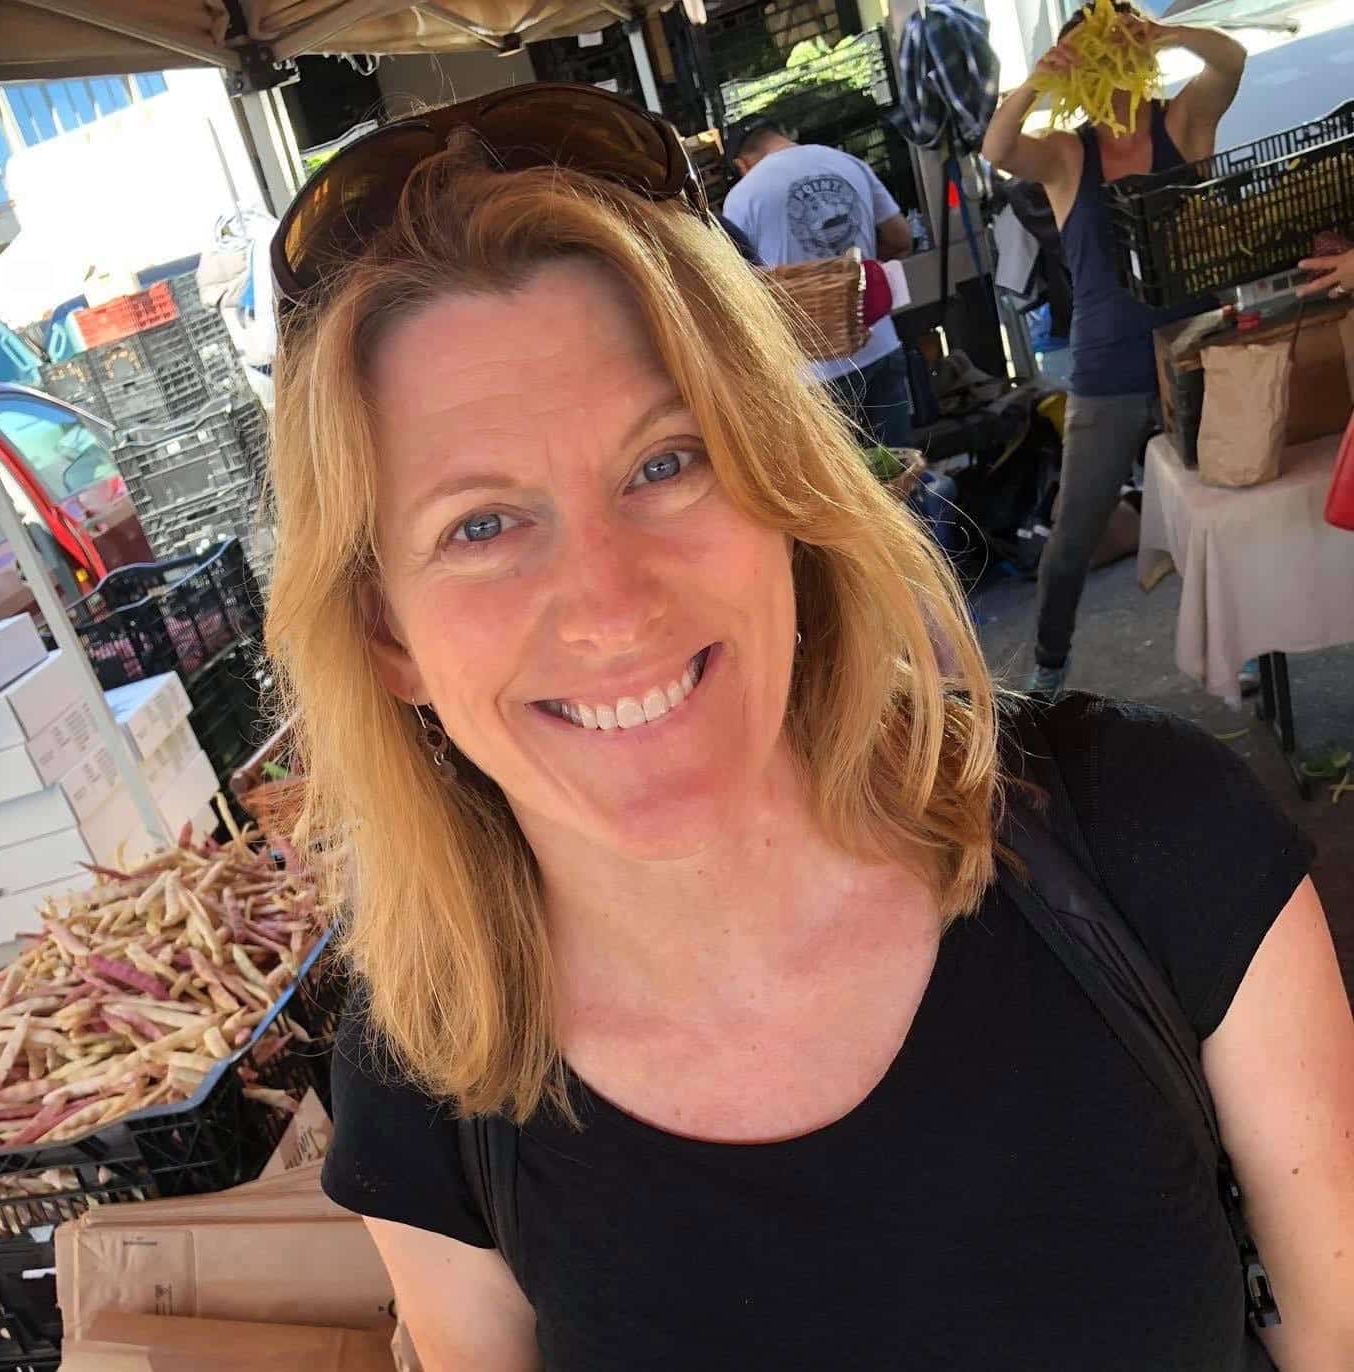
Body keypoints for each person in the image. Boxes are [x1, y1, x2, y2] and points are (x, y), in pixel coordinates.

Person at [265, 84, 1354, 1371]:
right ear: (387, 636)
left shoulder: (1154, 836)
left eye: (666, 462)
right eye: (482, 525)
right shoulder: (428, 1070)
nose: (612, 607)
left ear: (784, 482)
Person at [983, 3, 1246, 695]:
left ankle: (1241, 646)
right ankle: (1049, 664)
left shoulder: (1181, 124)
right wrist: (1038, 80)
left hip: (1197, 346)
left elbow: (1231, 62)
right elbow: (998, 149)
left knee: (1221, 507)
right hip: (1108, 363)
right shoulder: (1069, 155)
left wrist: (1171, 33)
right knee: (1075, 528)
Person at [720, 120, 915, 446]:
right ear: (784, 135)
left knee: (844, 476)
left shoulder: (742, 197)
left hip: (814, 374)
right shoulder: (847, 162)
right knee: (901, 465)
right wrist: (852, 272)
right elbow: (900, 238)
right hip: (879, 343)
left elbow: (740, 289)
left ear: (742, 164)